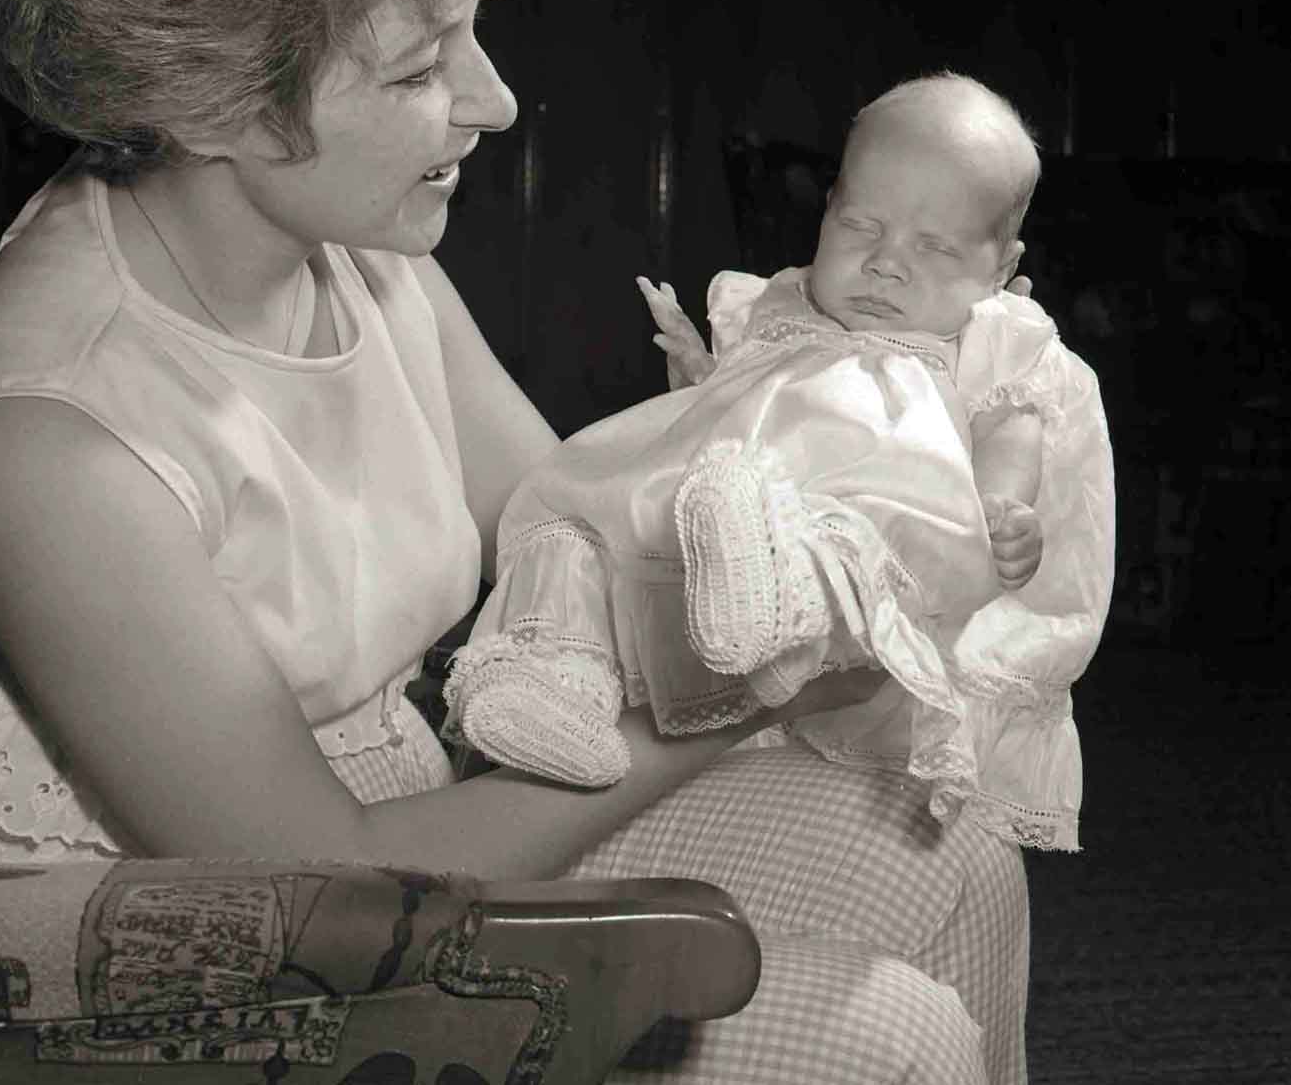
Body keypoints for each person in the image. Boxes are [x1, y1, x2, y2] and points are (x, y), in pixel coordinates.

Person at [0, 0, 1030, 1079]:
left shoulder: (356, 258)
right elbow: (311, 885)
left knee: (946, 845)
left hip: (391, 850)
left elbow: (570, 534)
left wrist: (838, 439)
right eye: (414, 68)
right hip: (96, 988)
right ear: (199, 86)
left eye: (470, 25)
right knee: (883, 1041)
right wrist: (746, 696)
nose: (494, 102)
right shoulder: (43, 441)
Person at [446, 74, 1114, 854]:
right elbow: (731, 415)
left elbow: (1010, 424)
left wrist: (1005, 507)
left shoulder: (989, 336)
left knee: (840, 532)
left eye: (933, 246)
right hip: (722, 516)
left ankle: (780, 592)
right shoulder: (776, 307)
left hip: (872, 525)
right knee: (585, 514)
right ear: (827, 209)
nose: (884, 264)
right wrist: (702, 376)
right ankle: (552, 678)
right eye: (860, 226)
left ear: (1001, 265)